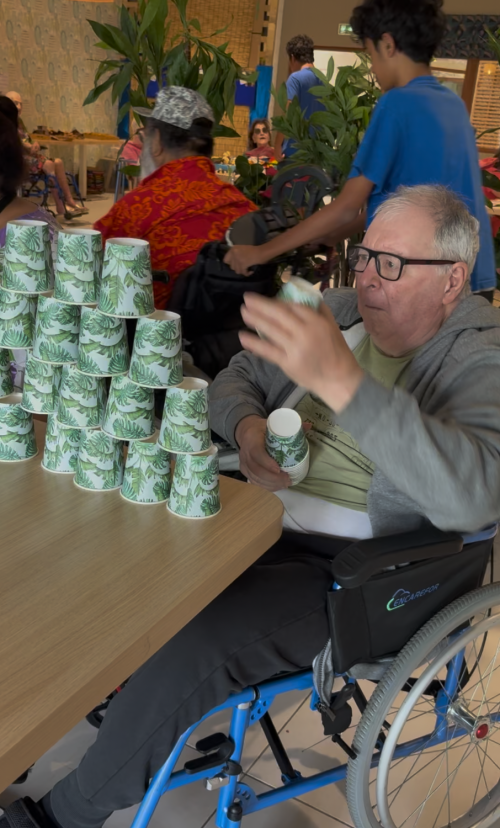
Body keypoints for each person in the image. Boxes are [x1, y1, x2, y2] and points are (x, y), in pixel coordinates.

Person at [4, 185, 500, 828]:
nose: (368, 278)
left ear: (452, 279)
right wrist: (246, 429)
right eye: (365, 256)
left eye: (392, 264)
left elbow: (472, 497)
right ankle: (44, 732)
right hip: (256, 517)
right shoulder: (338, 313)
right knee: (105, 560)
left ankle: (66, 814)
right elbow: (236, 378)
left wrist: (343, 383)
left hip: (359, 570)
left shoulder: (479, 361)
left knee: (202, 639)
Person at [226, 0, 497, 299]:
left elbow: (346, 207)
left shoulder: (396, 104)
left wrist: (260, 252)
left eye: (370, 54)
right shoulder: (453, 105)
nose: (373, 68)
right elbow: (406, 202)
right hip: (473, 281)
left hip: (432, 291)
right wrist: (332, 236)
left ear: (388, 45)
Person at [94, 86, 257, 309]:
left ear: (157, 141)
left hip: (149, 329)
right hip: (236, 328)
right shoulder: (245, 209)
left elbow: (87, 272)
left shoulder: (133, 211)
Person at [5, 92, 87, 220]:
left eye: (21, 103)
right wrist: (27, 147)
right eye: (15, 103)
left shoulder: (19, 121)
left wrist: (35, 144)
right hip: (17, 159)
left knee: (58, 162)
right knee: (48, 164)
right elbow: (14, 143)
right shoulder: (6, 122)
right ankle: (60, 205)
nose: (19, 107)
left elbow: (27, 138)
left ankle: (70, 200)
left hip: (29, 155)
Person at [0, 96, 59, 246]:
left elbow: (29, 143)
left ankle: (62, 202)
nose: (19, 106)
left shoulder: (28, 238)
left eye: (20, 102)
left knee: (54, 164)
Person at [274, 34, 324, 161]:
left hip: (294, 153)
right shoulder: (324, 81)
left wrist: (277, 144)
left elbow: (288, 113)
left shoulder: (296, 78)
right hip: (316, 153)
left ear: (292, 58)